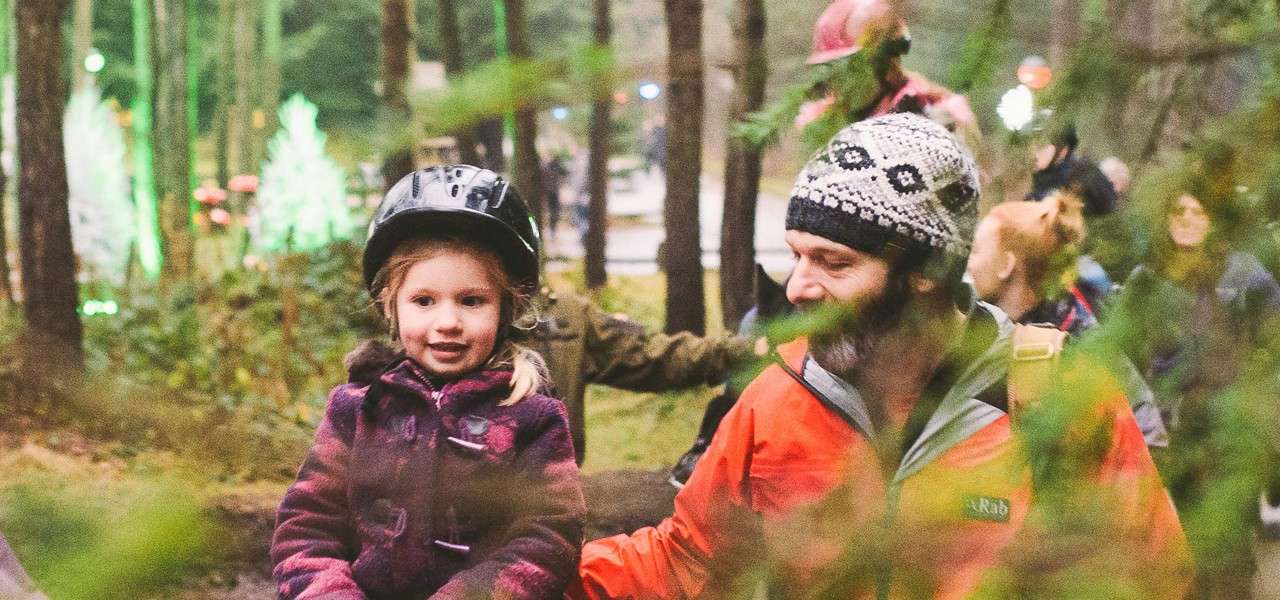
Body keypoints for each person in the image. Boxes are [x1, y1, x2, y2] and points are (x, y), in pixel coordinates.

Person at [574, 113, 1189, 598]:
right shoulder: (779, 398)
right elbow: (685, 564)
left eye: (834, 262)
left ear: (927, 271)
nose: (797, 289)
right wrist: (525, 575)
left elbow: (1154, 577)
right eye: (798, 254)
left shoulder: (1056, 396)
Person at [271, 165, 585, 600]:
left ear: (506, 309)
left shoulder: (533, 418)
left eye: (472, 301)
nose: (448, 322)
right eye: (424, 301)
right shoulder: (357, 409)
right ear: (391, 308)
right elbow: (306, 529)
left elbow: (549, 538)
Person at [1111, 189, 1280, 599]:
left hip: (1230, 439)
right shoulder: (1145, 281)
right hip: (1170, 441)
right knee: (1175, 554)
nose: (1186, 220)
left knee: (1229, 555)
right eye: (1177, 211)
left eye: (1198, 210)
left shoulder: (1245, 275)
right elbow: (1120, 356)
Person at [965, 192, 1169, 447]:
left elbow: (1149, 435)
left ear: (1006, 265)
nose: (969, 264)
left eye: (976, 251)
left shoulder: (1079, 343)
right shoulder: (977, 328)